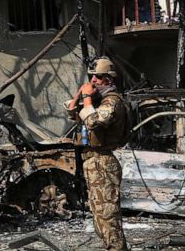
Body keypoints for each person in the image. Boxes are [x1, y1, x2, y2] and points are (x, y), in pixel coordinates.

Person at [66, 57, 131, 251]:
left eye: (98, 77)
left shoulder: (112, 101)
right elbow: (72, 112)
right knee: (98, 214)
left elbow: (94, 121)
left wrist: (87, 99)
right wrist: (80, 95)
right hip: (92, 160)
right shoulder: (98, 100)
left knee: (108, 214)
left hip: (103, 160)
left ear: (109, 80)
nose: (93, 81)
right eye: (92, 76)